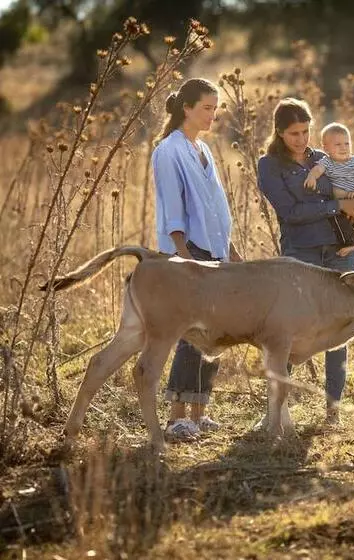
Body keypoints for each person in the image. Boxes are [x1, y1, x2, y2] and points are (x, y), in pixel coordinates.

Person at [257, 98, 354, 425]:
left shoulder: (322, 157)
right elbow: (290, 213)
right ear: (279, 133)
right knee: (289, 331)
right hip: (301, 255)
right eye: (294, 134)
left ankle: (333, 410)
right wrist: (337, 206)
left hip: (339, 251)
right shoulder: (270, 166)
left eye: (306, 131)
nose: (302, 139)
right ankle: (276, 411)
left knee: (341, 325)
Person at [152, 78, 243, 442]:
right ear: (186, 108)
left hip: (215, 251)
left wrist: (232, 252)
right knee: (191, 335)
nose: (213, 114)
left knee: (215, 333)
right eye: (207, 107)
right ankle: (176, 418)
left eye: (215, 107)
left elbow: (215, 210)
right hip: (188, 251)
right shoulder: (168, 150)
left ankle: (200, 412)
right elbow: (172, 209)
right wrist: (184, 257)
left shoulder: (202, 149)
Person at [303, 122, 354, 257]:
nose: (343, 148)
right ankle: (349, 243)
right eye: (338, 144)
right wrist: (312, 177)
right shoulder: (327, 162)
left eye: (347, 143)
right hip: (341, 203)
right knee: (335, 217)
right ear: (326, 148)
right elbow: (317, 169)